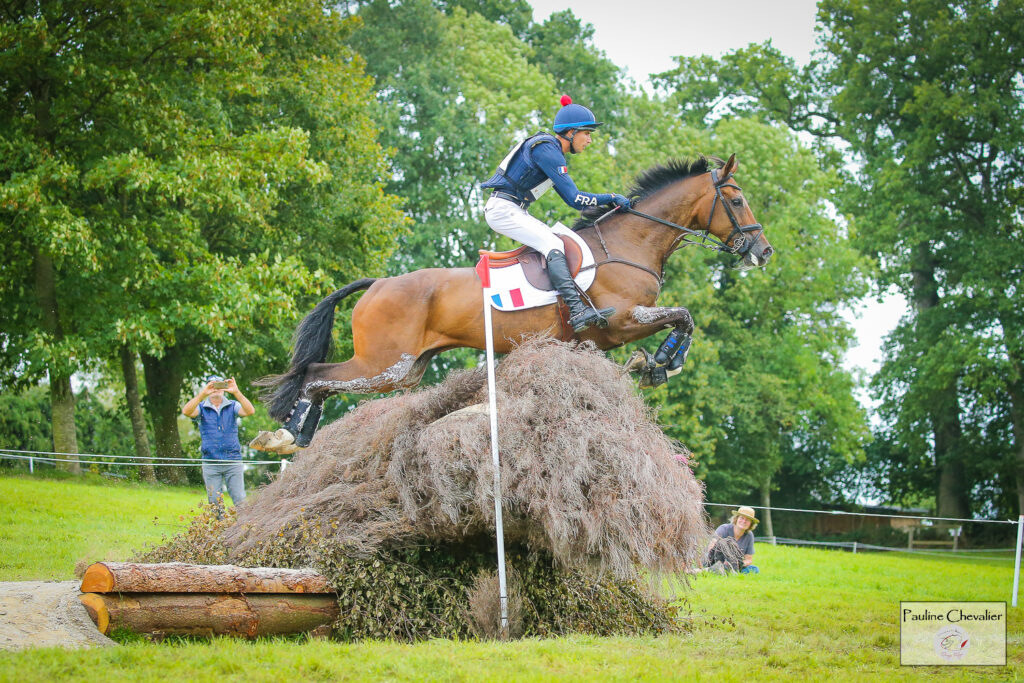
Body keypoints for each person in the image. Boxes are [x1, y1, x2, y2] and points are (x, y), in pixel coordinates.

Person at [481, 95, 631, 332]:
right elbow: (575, 199)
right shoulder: (547, 150)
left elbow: (574, 200)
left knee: (556, 241)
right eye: (587, 133)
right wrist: (612, 198)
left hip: (511, 209)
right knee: (553, 245)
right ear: (571, 132)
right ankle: (577, 310)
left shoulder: (550, 151)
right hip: (503, 210)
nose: (590, 140)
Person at [182, 375, 255, 508]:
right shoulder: (201, 407)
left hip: (233, 460)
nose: (216, 389)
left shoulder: (233, 405)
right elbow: (186, 411)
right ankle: (220, 528)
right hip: (210, 462)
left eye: (219, 385)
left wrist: (236, 392)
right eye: (212, 385)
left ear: (224, 388)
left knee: (240, 500)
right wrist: (202, 394)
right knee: (214, 502)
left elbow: (250, 411)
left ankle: (244, 528)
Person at [704, 505, 760, 575]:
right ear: (736, 519)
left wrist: (737, 564)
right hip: (715, 561)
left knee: (755, 569)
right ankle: (713, 569)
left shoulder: (749, 535)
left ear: (751, 524)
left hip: (735, 565)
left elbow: (749, 559)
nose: (744, 521)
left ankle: (725, 571)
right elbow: (711, 547)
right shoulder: (724, 528)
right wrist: (723, 562)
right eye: (742, 518)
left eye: (747, 520)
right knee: (718, 567)